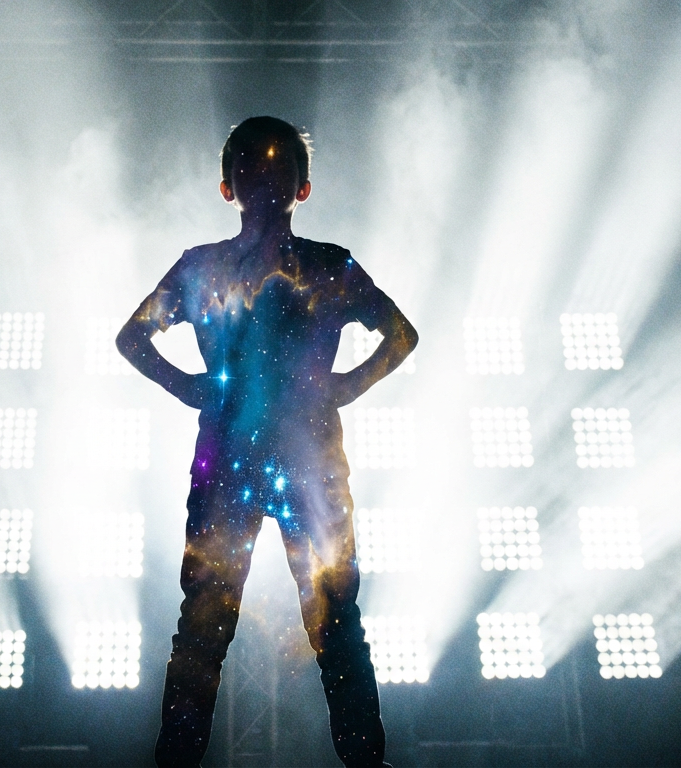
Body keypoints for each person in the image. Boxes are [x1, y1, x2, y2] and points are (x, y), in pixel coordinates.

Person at [117, 116, 418, 768]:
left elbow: (402, 334)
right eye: (252, 166)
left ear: (300, 187)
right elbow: (131, 338)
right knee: (220, 622)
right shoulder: (220, 266)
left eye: (276, 166)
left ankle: (359, 761)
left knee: (313, 620)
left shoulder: (315, 264)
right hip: (268, 464)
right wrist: (188, 385)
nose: (264, 177)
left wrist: (347, 384)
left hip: (282, 464)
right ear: (229, 185)